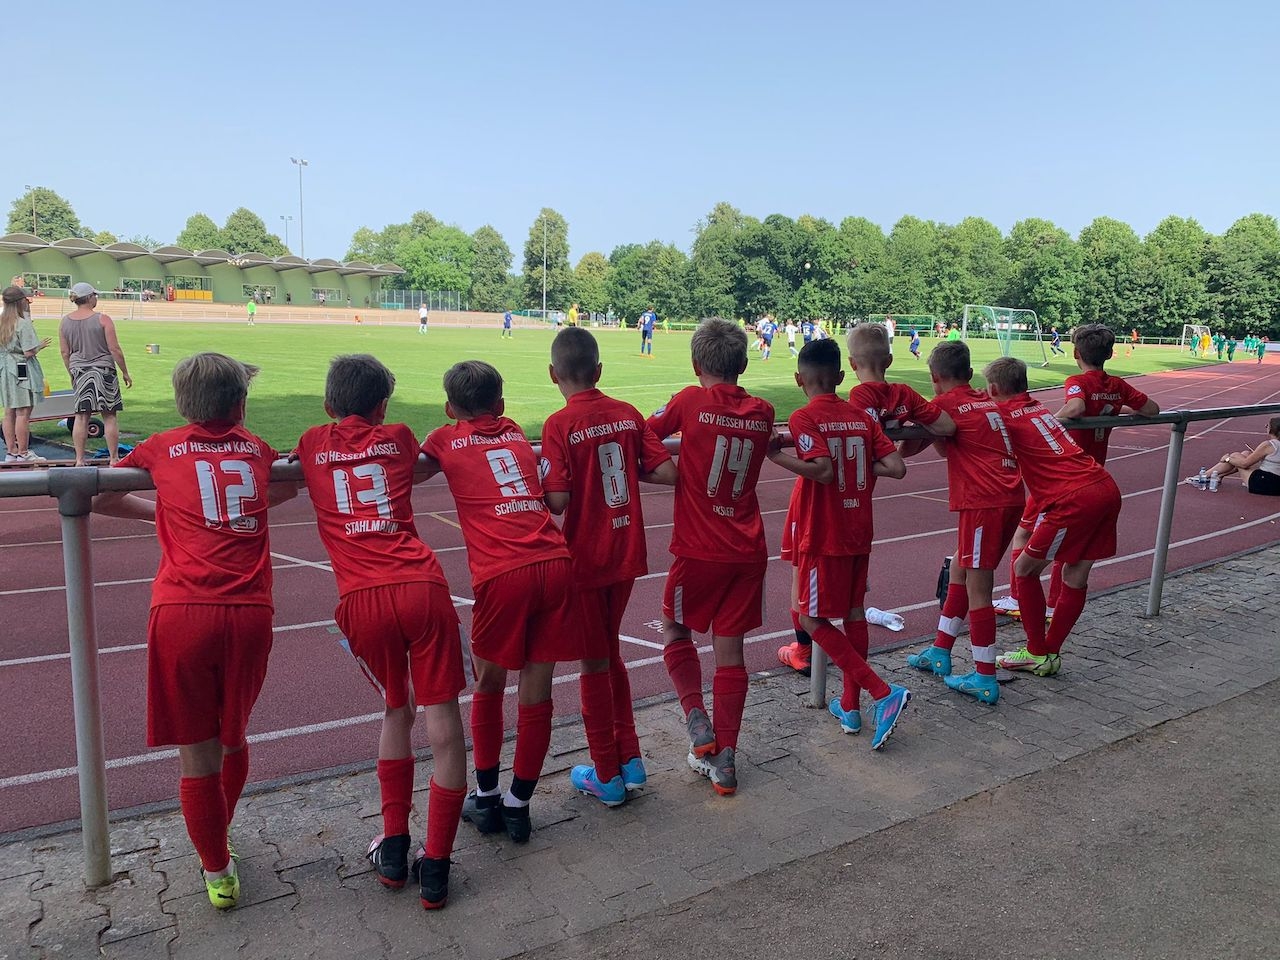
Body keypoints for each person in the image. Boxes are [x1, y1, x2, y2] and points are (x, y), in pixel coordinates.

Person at [92, 353, 297, 910]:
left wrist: (163, 510)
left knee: (196, 753)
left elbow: (102, 496)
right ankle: (219, 834)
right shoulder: (257, 449)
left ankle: (217, 870)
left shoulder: (160, 447)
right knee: (232, 737)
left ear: (183, 404)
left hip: (183, 611)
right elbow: (285, 491)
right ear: (240, 404)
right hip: (250, 613)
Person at [294, 355, 467, 909]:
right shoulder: (399, 436)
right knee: (444, 720)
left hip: (361, 597)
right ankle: (436, 865)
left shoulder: (311, 442)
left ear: (328, 405)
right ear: (384, 406)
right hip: (421, 586)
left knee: (397, 709)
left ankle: (393, 847)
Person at [421, 361, 578, 844]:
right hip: (555, 561)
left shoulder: (444, 439)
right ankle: (519, 805)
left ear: (449, 408)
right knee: (538, 688)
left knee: (489, 684)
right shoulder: (515, 434)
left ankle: (487, 796)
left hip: (503, 572)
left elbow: (421, 456)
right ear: (502, 404)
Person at [540, 328, 677, 806]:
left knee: (593, 662)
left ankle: (606, 773)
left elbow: (558, 500)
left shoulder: (559, 424)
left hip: (586, 555)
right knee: (609, 652)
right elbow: (667, 471)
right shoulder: (627, 413)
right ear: (599, 371)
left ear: (553, 374)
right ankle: (630, 759)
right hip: (626, 549)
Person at [646, 318, 774, 796]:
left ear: (696, 363)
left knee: (675, 628)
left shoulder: (689, 401)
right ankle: (726, 761)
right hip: (748, 548)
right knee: (730, 650)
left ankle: (695, 714)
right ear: (743, 364)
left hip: (699, 547)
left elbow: (645, 432)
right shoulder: (763, 411)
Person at [768, 338, 913, 745]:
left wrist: (776, 456)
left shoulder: (804, 417)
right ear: (841, 376)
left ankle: (882, 693)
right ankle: (850, 707)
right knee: (853, 614)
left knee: (810, 618)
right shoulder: (861, 418)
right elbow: (896, 467)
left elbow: (823, 471)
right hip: (858, 529)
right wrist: (858, 462)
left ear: (799, 379)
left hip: (824, 532)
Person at [995, 325, 1157, 619]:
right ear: (1110, 353)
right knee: (1070, 545)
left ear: (1076, 353)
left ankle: (1020, 598)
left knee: (1024, 533)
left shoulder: (1078, 381)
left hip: (1063, 476)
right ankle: (1054, 602)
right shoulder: (1117, 385)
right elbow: (1152, 409)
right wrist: (1115, 409)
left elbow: (1076, 408)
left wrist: (1046, 425)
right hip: (1095, 472)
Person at [983, 357, 1122, 678]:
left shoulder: (1001, 415)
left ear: (993, 388)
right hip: (1105, 486)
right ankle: (1050, 653)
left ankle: (1036, 651)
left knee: (1024, 570)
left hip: (1073, 498)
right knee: (1076, 575)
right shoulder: (1038, 406)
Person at [902, 340, 1024, 705]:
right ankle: (940, 651)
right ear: (970, 373)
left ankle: (985, 676)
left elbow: (908, 448)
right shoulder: (985, 400)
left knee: (978, 586)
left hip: (983, 500)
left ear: (934, 377)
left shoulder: (944, 405)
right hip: (1009, 495)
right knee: (960, 566)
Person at [58, 283, 131, 465]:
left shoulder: (65, 322)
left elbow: (65, 352)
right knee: (109, 415)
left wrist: (72, 372)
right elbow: (114, 348)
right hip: (103, 370)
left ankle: (79, 459)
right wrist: (125, 372)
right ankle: (114, 458)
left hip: (80, 370)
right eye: (95, 296)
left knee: (81, 416)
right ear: (90, 298)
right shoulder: (103, 319)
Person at [1, 286, 52, 462]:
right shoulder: (22, 323)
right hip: (20, 369)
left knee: (9, 411)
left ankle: (11, 451)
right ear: (20, 301)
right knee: (23, 412)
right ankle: (23, 452)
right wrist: (39, 346)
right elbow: (28, 351)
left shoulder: (2, 322)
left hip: (4, 370)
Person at [1204, 417, 1280, 495]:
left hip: (1265, 483)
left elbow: (1244, 464)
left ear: (1271, 430)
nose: (1265, 427)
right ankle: (1218, 476)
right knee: (1246, 453)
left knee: (1235, 456)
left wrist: (1227, 458)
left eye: (1267, 426)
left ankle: (1204, 475)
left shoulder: (1269, 445)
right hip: (1277, 481)